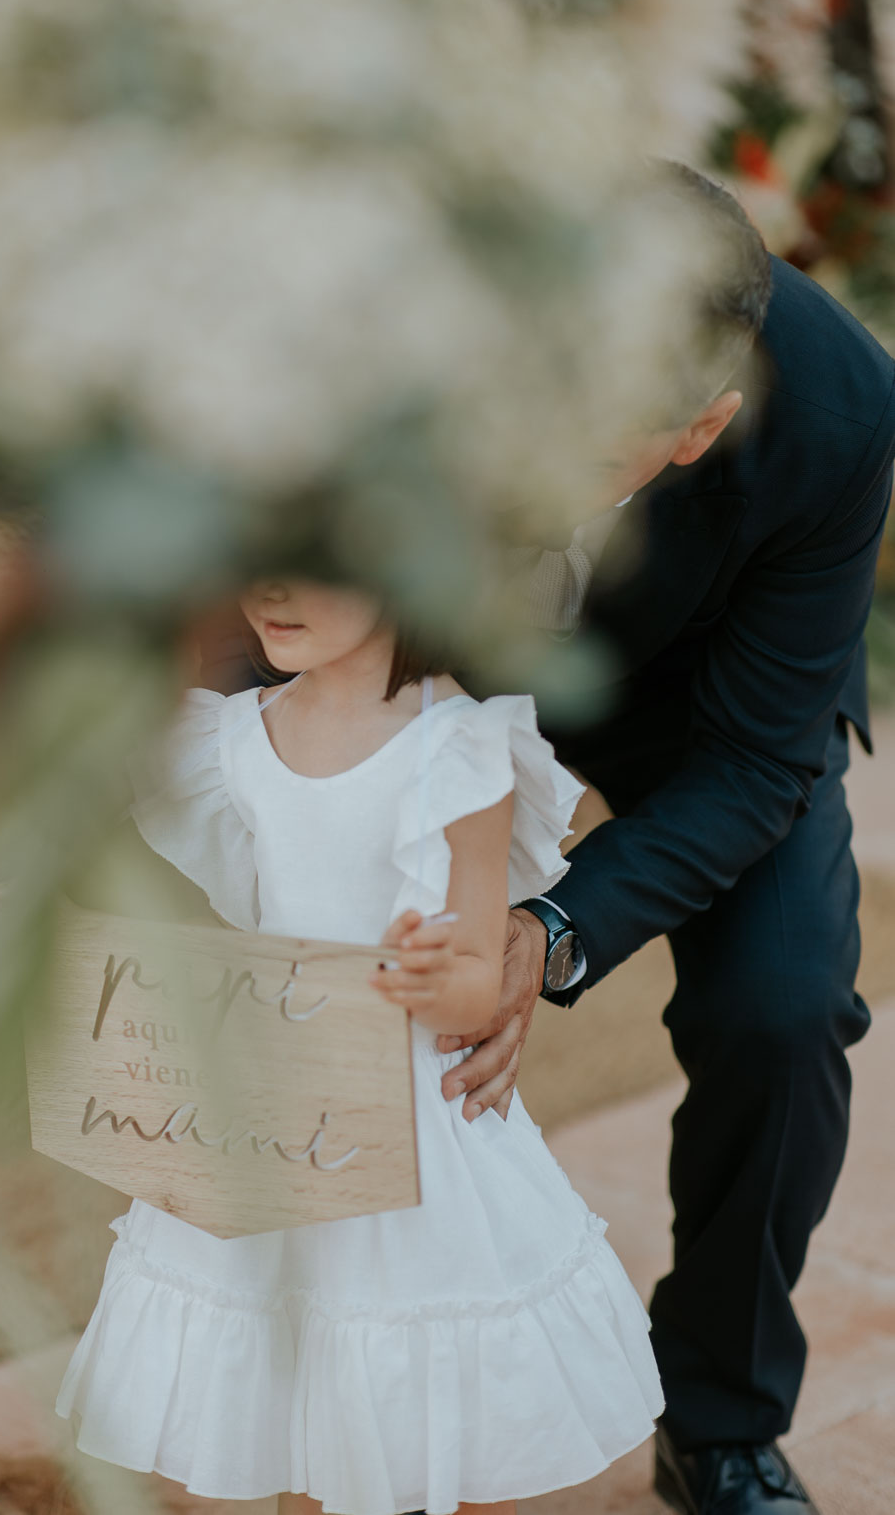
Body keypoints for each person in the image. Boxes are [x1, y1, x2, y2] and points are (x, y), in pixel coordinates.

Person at [442, 174, 895, 1515]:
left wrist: (551, 927)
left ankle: (717, 1416)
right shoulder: (434, 299)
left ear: (703, 426)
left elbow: (761, 755)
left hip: (701, 704)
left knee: (785, 1008)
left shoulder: (839, 408)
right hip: (429, 648)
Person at [56, 580, 664, 1514]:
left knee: (436, 1392)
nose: (272, 589)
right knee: (303, 1394)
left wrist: (433, 975)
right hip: (284, 1113)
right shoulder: (233, 736)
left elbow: (477, 973)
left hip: (413, 1117)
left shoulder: (458, 742)